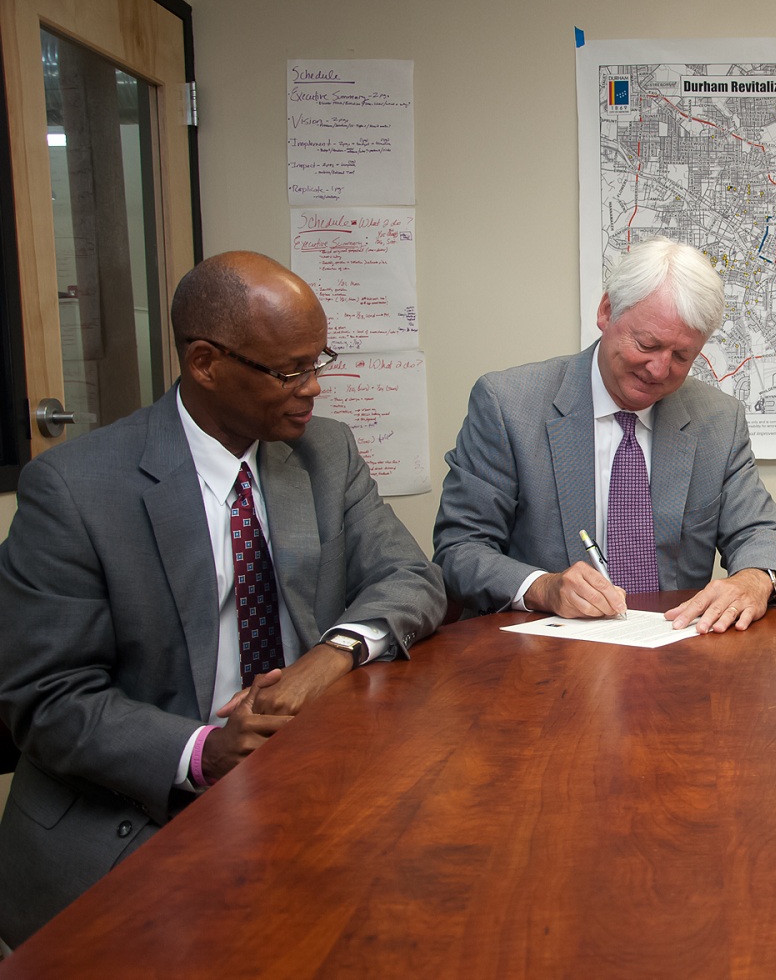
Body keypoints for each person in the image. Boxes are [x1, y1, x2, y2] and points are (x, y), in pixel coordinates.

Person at [0, 252, 447, 945]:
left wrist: (325, 660)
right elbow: (45, 697)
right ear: (205, 363)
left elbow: (413, 578)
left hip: (302, 786)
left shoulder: (324, 453)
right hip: (139, 811)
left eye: (318, 360)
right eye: (290, 370)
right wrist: (204, 751)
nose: (315, 388)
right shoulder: (74, 491)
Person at [434, 236, 776, 632]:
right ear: (607, 311)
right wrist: (544, 587)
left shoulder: (717, 419)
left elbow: (761, 533)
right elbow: (460, 550)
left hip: (673, 652)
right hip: (542, 658)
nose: (659, 370)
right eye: (647, 344)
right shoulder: (509, 405)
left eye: (682, 356)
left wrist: (754, 579)